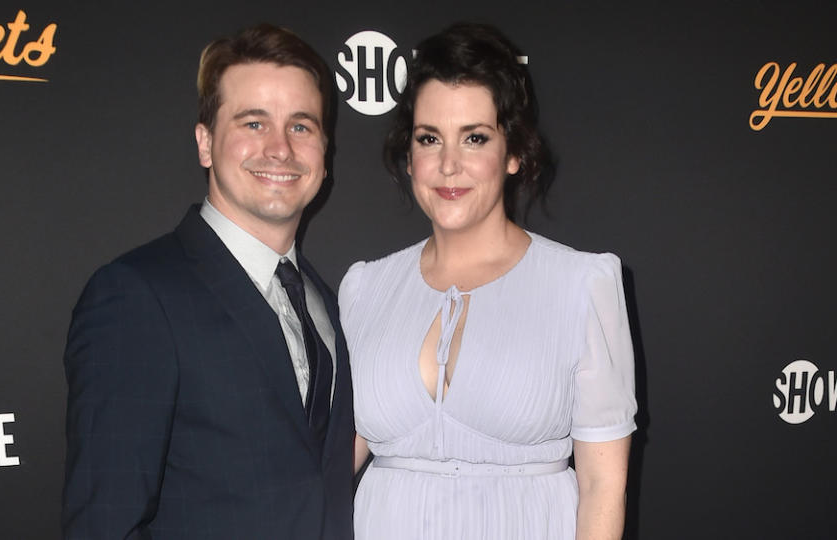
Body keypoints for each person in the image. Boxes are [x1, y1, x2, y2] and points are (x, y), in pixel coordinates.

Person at [340, 23, 636, 539]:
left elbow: (602, 488)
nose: (448, 164)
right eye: (429, 138)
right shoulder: (366, 289)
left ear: (514, 153)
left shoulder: (581, 285)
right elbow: (328, 467)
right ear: (409, 156)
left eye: (474, 138)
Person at [62, 24, 354, 539]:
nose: (281, 149)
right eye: (253, 123)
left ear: (324, 155)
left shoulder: (325, 302)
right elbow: (105, 525)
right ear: (205, 142)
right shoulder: (136, 297)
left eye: (302, 126)